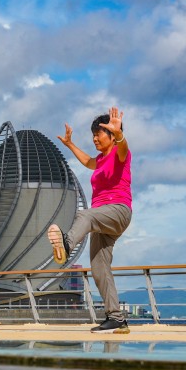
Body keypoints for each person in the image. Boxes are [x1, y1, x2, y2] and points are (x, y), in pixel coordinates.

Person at [48, 106, 132, 334]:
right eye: (93, 134)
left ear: (112, 136)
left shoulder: (120, 152)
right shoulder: (101, 159)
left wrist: (120, 134)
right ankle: (116, 318)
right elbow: (87, 162)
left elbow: (123, 146)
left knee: (84, 214)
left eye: (99, 134)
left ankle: (66, 244)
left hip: (117, 211)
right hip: (101, 219)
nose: (94, 138)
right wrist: (70, 145)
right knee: (98, 267)